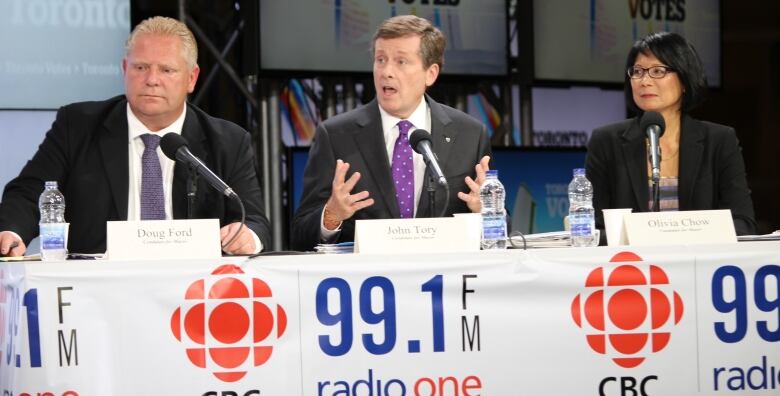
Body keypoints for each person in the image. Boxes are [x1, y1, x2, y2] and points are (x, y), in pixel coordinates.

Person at [0, 16, 271, 257]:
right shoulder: (78, 126)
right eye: (140, 68)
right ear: (124, 69)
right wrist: (12, 232)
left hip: (193, 293)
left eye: (166, 70)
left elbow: (254, 220)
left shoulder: (228, 141)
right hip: (97, 290)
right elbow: (27, 192)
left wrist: (248, 237)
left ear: (192, 78)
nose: (152, 79)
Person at [291, 15, 492, 251]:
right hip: (367, 282)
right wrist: (332, 215)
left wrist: (486, 212)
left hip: (444, 281)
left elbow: (501, 228)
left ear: (431, 73)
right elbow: (299, 235)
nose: (386, 71)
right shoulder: (335, 136)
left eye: (401, 62)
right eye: (380, 60)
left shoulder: (469, 134)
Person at [586, 32, 756, 238]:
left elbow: (743, 223)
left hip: (699, 265)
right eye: (637, 72)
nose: (644, 81)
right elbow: (590, 228)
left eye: (658, 71)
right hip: (632, 266)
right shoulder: (606, 141)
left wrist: (682, 239)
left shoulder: (719, 141)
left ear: (684, 79)